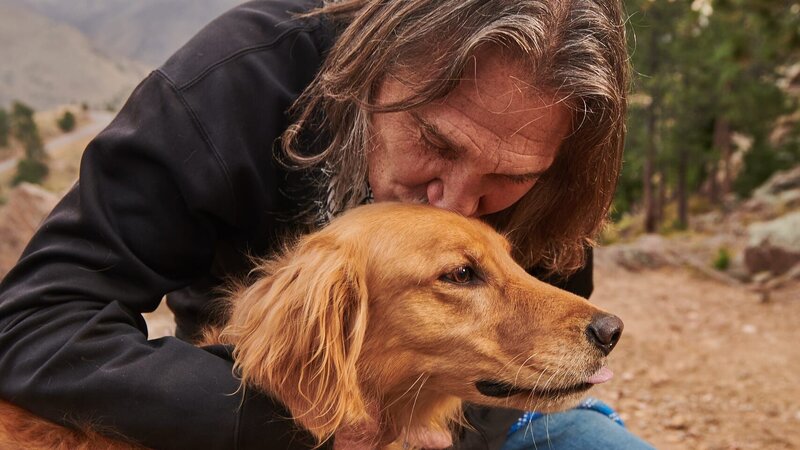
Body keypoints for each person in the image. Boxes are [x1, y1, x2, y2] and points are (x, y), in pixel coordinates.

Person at [0, 0, 654, 448]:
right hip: (243, 400)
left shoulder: (559, 152)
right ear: (377, 64)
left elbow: (538, 341)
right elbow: (34, 324)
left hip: (466, 415)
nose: (452, 205)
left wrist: (445, 433)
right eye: (435, 142)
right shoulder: (233, 83)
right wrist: (280, 427)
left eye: (508, 182)